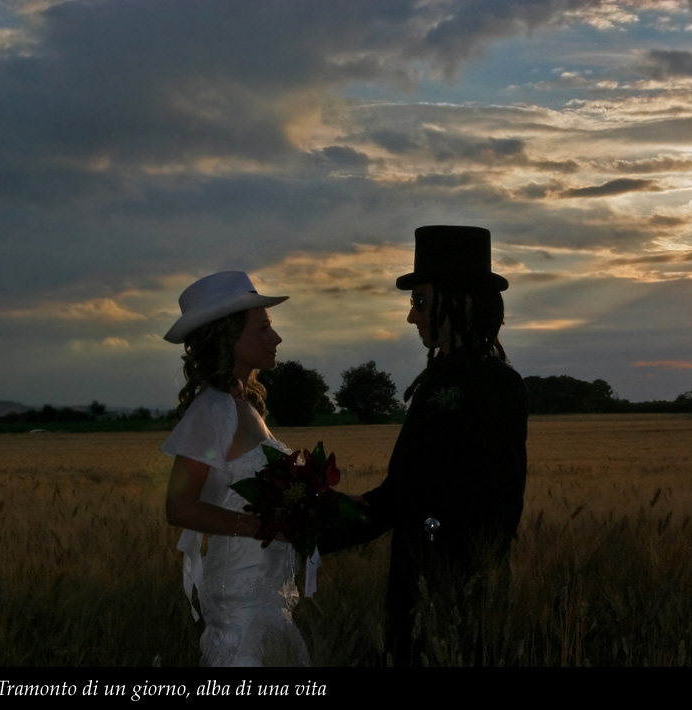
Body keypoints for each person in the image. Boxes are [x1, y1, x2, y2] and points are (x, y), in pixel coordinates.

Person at [320, 225, 528, 666]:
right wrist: (317, 520)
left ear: (464, 302)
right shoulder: (437, 380)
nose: (411, 317)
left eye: (420, 302)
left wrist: (450, 564)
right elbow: (403, 491)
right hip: (415, 582)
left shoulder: (497, 384)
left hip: (455, 588)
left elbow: (498, 502)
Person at [162, 271, 309, 667]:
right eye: (263, 328)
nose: (275, 339)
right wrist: (259, 526)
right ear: (228, 338)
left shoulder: (244, 404)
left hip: (267, 594)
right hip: (241, 599)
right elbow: (178, 506)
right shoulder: (212, 409)